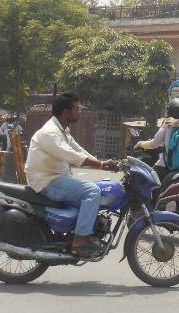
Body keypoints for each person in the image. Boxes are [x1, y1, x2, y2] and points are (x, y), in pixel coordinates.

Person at [24, 93, 117, 256]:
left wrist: (102, 163)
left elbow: (78, 149)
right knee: (93, 191)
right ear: (66, 112)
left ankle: (80, 229)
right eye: (76, 109)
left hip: (55, 177)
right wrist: (101, 164)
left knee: (93, 187)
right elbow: (71, 155)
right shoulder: (51, 133)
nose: (78, 112)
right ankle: (80, 240)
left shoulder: (62, 130)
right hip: (48, 181)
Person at [134, 98, 179, 182]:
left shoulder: (168, 123)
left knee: (148, 180)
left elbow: (153, 144)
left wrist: (140, 143)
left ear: (171, 110)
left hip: (166, 165)